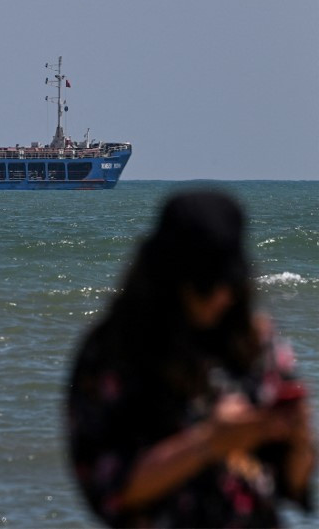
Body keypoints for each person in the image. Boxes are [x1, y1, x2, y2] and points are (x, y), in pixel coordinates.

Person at [66, 190, 314, 527]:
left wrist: (299, 439)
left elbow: (292, 485)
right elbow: (113, 491)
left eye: (231, 282)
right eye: (207, 284)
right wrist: (210, 441)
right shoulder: (113, 353)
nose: (222, 296)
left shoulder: (255, 342)